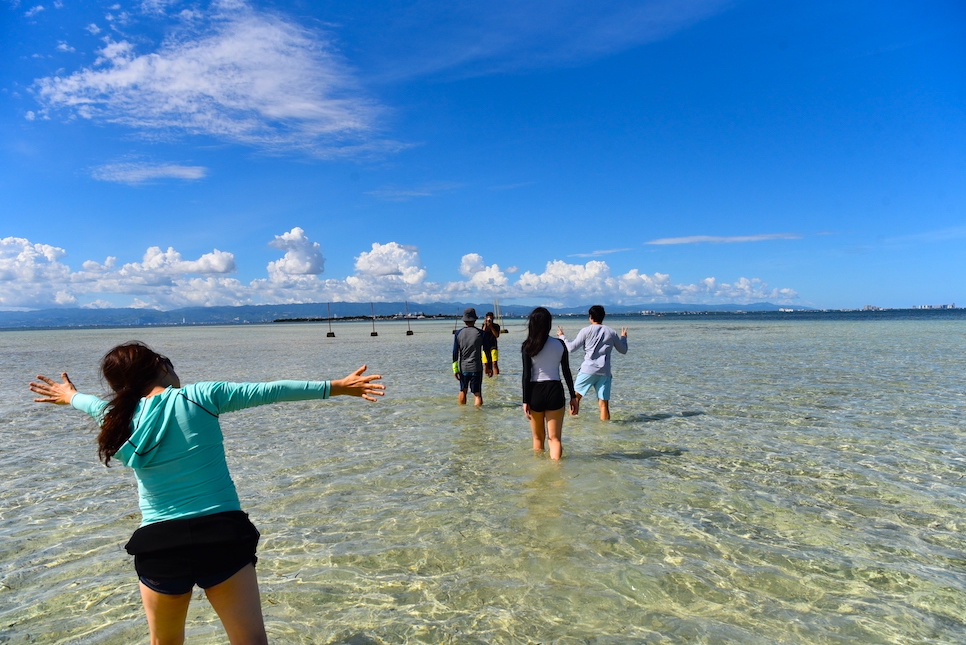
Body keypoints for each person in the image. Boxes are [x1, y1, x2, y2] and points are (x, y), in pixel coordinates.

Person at [28, 341, 384, 645]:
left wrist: (70, 395)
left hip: (159, 546)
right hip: (222, 537)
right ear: (162, 367)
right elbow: (271, 390)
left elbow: (89, 403)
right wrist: (337, 386)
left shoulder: (115, 417)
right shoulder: (199, 397)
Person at [522, 307, 577, 459]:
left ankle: (539, 477)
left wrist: (525, 400)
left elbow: (526, 375)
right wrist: (573, 396)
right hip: (555, 390)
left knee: (538, 439)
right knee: (555, 439)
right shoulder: (560, 344)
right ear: (549, 324)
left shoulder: (527, 346)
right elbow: (566, 371)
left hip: (535, 391)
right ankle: (557, 474)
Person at [557, 305, 628, 421]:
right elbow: (623, 350)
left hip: (588, 370)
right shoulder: (611, 332)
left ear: (590, 317)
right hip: (604, 372)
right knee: (604, 404)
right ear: (603, 317)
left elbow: (571, 348)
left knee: (575, 399)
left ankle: (573, 428)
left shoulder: (586, 331)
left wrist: (562, 336)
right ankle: (605, 433)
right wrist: (624, 337)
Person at [452, 307, 485, 406]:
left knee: (463, 390)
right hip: (476, 367)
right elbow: (487, 351)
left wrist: (455, 369)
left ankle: (463, 414)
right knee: (477, 394)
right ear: (475, 320)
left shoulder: (458, 333)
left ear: (464, 320)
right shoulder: (481, 333)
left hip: (463, 368)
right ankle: (477, 417)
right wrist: (489, 367)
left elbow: (455, 353)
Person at [481, 311, 501, 377]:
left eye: (491, 319)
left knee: (494, 363)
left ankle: (496, 377)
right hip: (485, 346)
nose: (490, 320)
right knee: (486, 363)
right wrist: (485, 325)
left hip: (493, 346)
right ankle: (487, 377)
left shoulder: (496, 326)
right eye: (488, 319)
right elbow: (482, 335)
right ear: (486, 318)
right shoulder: (484, 326)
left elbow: (497, 335)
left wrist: (491, 327)